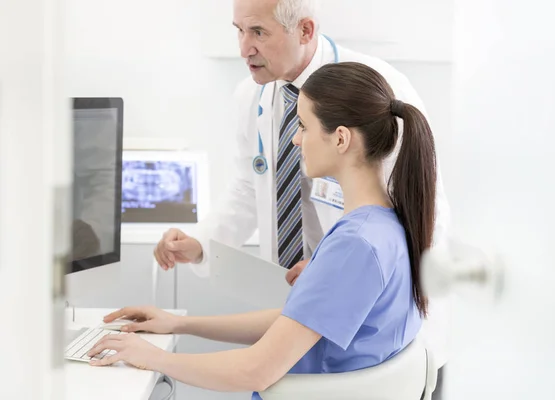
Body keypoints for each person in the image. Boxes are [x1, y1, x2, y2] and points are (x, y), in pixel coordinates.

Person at [89, 61, 437, 399]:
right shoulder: (387, 225)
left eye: (303, 126)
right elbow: (295, 323)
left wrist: (153, 358)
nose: (296, 140)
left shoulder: (355, 245)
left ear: (341, 139)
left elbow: (256, 369)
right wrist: (179, 324)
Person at [153, 0, 450, 395]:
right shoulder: (252, 96)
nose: (244, 48)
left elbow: (423, 201)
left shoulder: (377, 89)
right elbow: (249, 183)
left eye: (258, 32)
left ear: (305, 31)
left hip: (357, 322)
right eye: (238, 31)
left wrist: (349, 272)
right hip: (322, 300)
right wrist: (200, 249)